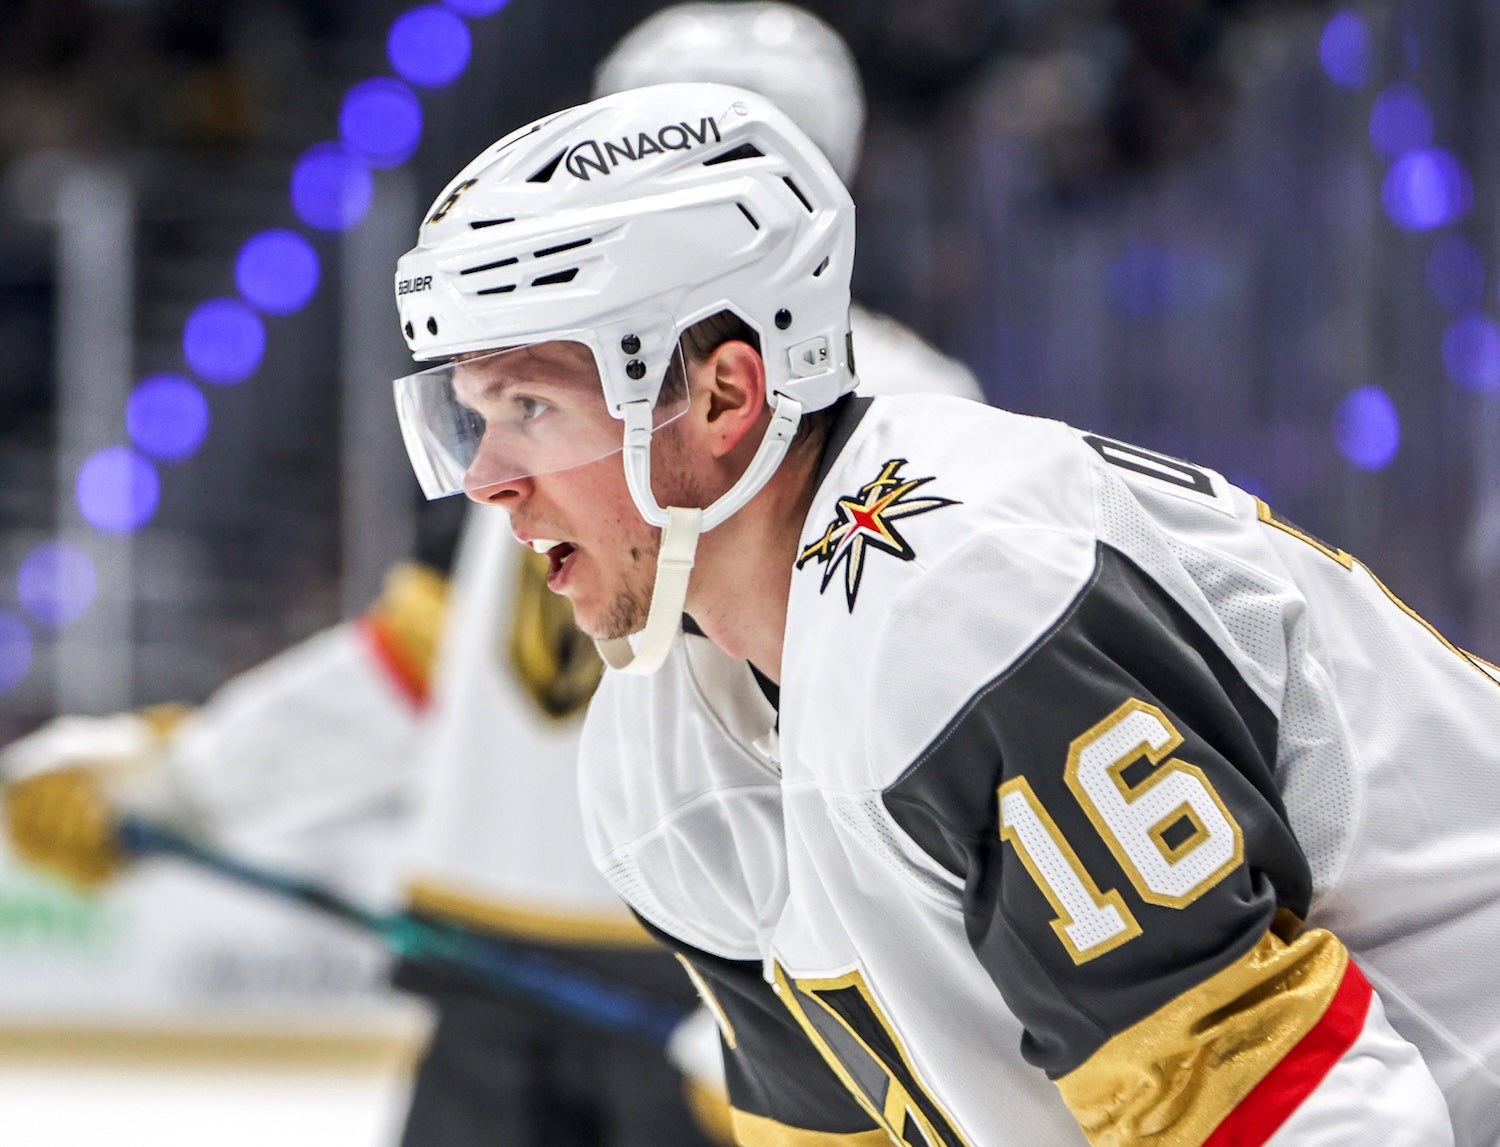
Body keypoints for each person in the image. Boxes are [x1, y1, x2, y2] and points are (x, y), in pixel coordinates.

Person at [391, 80, 1500, 1145]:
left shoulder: (961, 600)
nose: (486, 480)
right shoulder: (657, 764)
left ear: (725, 395)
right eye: (474, 414)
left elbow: (1292, 1112)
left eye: (531, 405)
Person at [5, 8, 986, 1145]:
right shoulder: (549, 381)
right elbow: (428, 664)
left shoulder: (879, 408)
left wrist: (856, 1002)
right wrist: (173, 782)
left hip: (728, 980)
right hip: (537, 975)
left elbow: (912, 729)